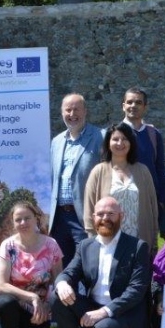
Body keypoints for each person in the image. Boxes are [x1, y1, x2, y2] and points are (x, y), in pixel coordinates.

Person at [51, 196, 152, 328]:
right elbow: (69, 272)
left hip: (123, 311)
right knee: (56, 297)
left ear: (121, 216)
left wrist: (104, 312)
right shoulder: (85, 246)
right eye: (100, 214)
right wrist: (62, 283)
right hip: (93, 306)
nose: (105, 218)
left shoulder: (137, 246)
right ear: (93, 217)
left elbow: (136, 290)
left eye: (111, 213)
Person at [0, 200, 63, 328]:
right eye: (18, 219)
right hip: (12, 303)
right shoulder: (7, 245)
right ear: (13, 223)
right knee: (5, 303)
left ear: (36, 218)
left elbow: (59, 281)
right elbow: (1, 285)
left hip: (38, 310)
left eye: (27, 218)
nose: (23, 223)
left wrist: (47, 305)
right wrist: (33, 296)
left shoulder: (51, 245)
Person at [82, 123, 159, 251]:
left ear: (131, 143)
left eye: (124, 139)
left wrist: (154, 240)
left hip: (139, 243)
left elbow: (152, 207)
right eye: (115, 139)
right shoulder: (98, 172)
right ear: (108, 143)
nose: (120, 143)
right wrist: (93, 239)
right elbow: (89, 209)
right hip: (107, 243)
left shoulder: (143, 171)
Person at [48, 93, 103, 262]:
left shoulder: (100, 137)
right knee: (62, 265)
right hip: (59, 218)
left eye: (76, 109)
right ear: (62, 112)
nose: (72, 114)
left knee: (86, 263)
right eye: (68, 110)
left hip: (84, 215)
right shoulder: (56, 142)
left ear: (85, 111)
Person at [120, 87, 165, 238]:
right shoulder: (114, 134)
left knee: (147, 244)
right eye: (129, 102)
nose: (133, 106)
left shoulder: (153, 134)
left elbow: (159, 168)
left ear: (145, 107)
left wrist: (162, 199)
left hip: (148, 199)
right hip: (122, 198)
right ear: (123, 106)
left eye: (138, 102)